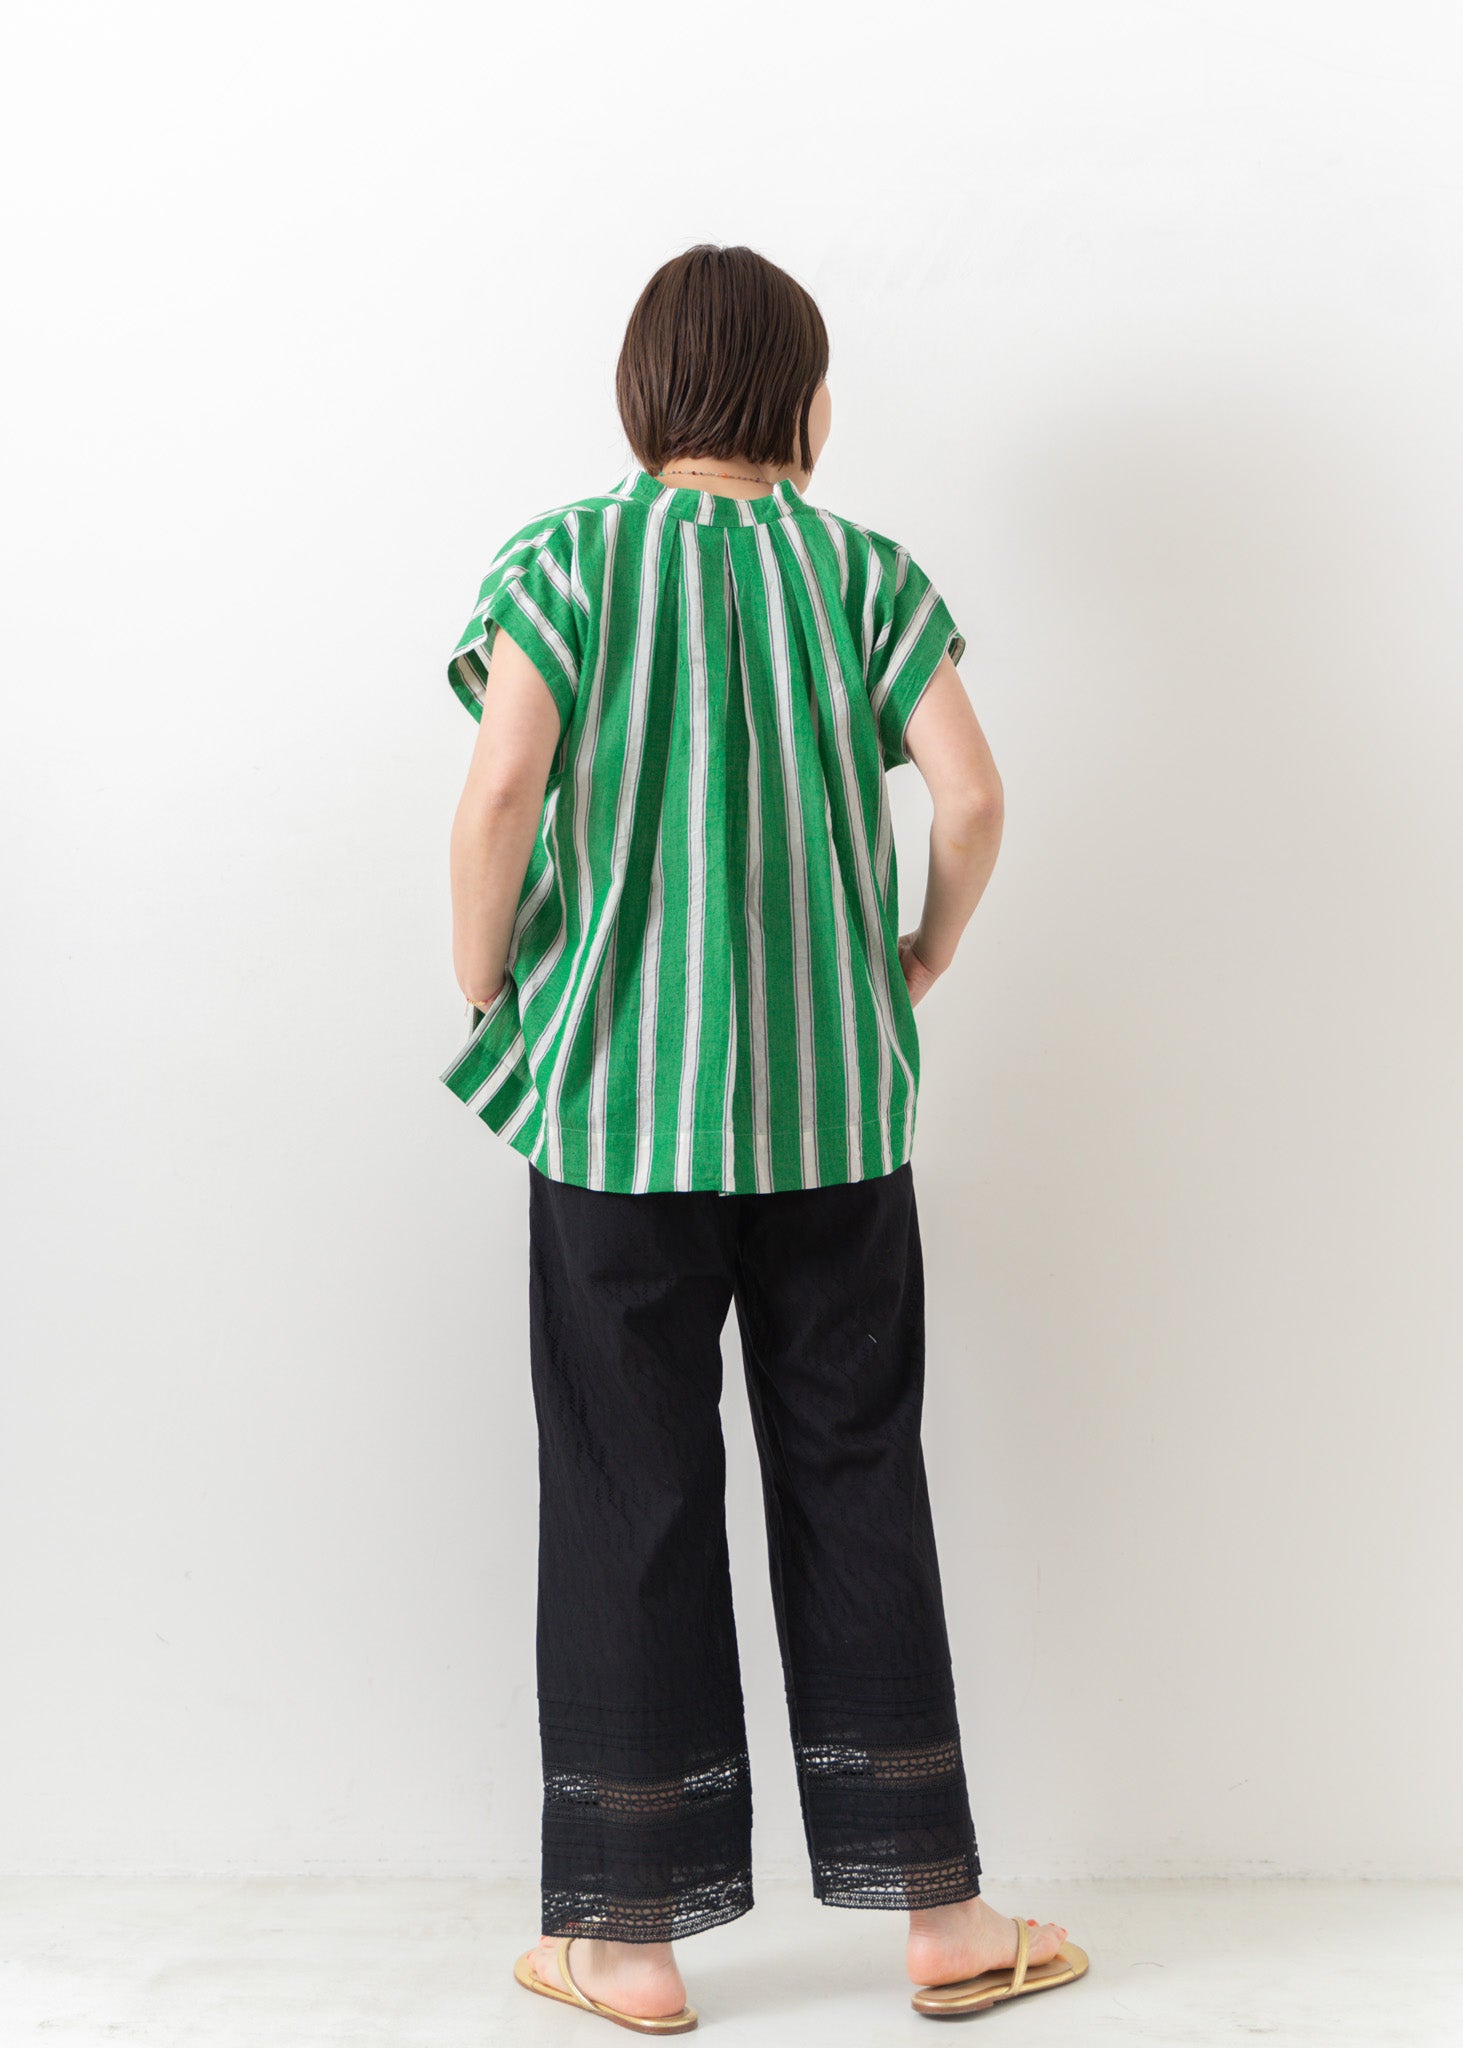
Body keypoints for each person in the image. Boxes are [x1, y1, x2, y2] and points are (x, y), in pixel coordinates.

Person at [443, 243, 1087, 2031]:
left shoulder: (567, 562)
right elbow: (972, 793)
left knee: (627, 1492)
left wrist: (487, 982)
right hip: (835, 1119)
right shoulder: (864, 575)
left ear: (642, 397)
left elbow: (500, 790)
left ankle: (627, 1940)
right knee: (858, 1472)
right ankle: (943, 1917)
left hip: (613, 1113)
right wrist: (923, 952)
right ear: (807, 407)